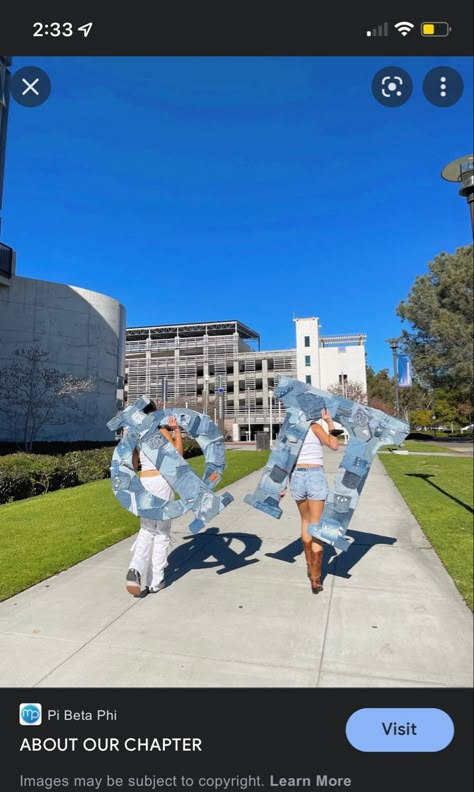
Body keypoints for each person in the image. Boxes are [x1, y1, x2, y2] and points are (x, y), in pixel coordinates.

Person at [125, 402, 183, 596]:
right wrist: (176, 432)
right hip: (161, 481)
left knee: (147, 528)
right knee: (162, 531)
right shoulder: (158, 431)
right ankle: (155, 581)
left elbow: (133, 464)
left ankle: (135, 569)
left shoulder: (135, 435)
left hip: (145, 481)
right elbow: (177, 456)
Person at [289, 408, 339, 593]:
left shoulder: (292, 429)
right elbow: (333, 445)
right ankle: (316, 576)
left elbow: (285, 457)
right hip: (314, 474)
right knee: (316, 525)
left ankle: (310, 565)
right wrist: (329, 422)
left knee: (305, 521)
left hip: (296, 475)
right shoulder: (315, 427)